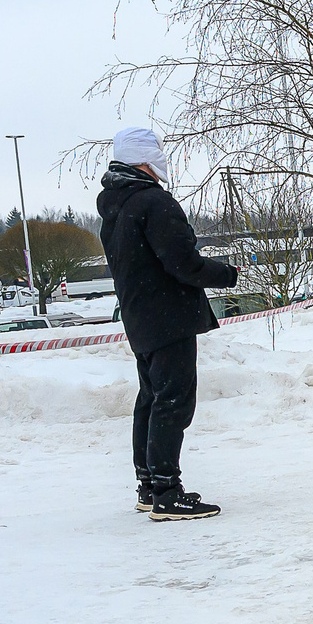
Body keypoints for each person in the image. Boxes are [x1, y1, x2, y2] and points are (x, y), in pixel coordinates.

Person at [97, 126, 238, 520]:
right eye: (157, 152)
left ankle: (148, 485)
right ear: (143, 159)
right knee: (173, 402)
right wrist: (226, 274)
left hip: (140, 316)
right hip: (168, 316)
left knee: (151, 398)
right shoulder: (153, 202)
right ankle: (166, 492)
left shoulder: (115, 203)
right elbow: (182, 263)